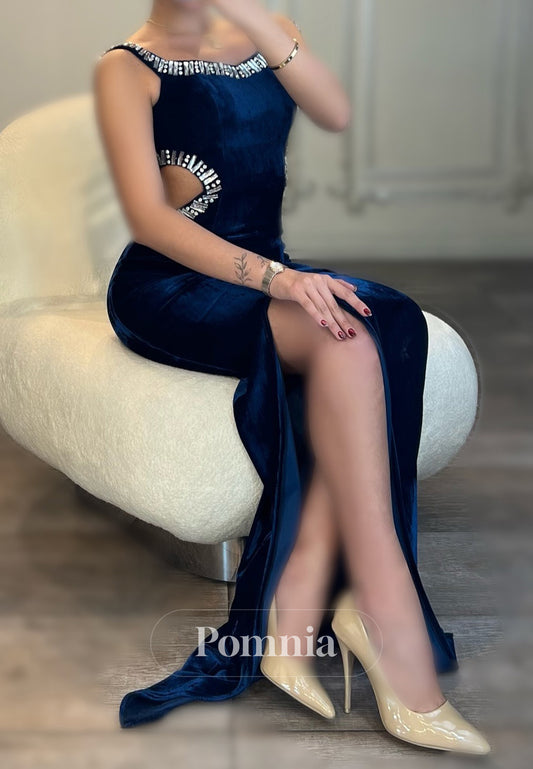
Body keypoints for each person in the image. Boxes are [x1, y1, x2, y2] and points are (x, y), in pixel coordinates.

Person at [93, 0, 490, 754]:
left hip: (269, 272)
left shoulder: (267, 28)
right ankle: (382, 619)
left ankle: (302, 605)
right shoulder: (126, 67)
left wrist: (248, 13)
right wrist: (280, 281)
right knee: (345, 337)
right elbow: (149, 219)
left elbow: (334, 111)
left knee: (384, 320)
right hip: (171, 287)